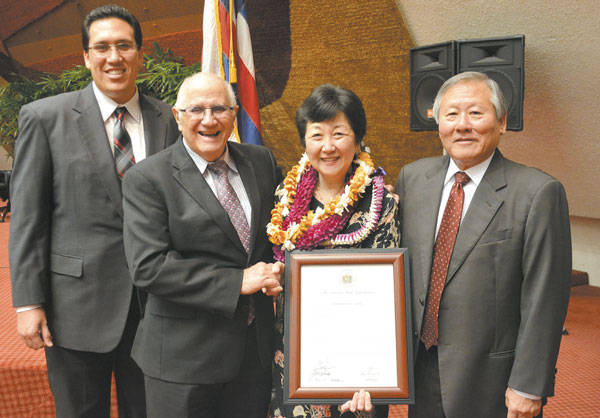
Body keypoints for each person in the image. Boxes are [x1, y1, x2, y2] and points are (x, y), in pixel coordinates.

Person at [9, 5, 179, 417]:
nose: (113, 57)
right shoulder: (45, 118)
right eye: (101, 47)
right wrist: (28, 303)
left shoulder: (168, 119)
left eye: (124, 46)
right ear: (85, 57)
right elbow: (29, 217)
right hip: (76, 309)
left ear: (140, 55)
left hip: (153, 309)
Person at [394, 71, 572, 418]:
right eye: (451, 114)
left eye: (475, 113)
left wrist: (528, 385)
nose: (462, 125)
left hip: (491, 381)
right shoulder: (412, 178)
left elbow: (545, 298)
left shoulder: (537, 193)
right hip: (420, 368)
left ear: (502, 122)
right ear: (438, 123)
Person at [121, 71, 284, 418]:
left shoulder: (261, 162)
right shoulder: (148, 179)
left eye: (219, 109)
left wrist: (366, 192)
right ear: (178, 117)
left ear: (234, 113)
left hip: (253, 355)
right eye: (196, 110)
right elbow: (148, 267)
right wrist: (237, 282)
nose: (208, 120)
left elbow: (290, 224)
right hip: (183, 362)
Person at [267, 84, 399, 418]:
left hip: (359, 362)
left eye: (339, 134)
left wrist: (372, 371)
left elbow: (386, 297)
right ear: (304, 141)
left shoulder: (379, 202)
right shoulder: (286, 196)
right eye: (317, 135)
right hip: (296, 352)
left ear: (357, 139)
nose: (328, 147)